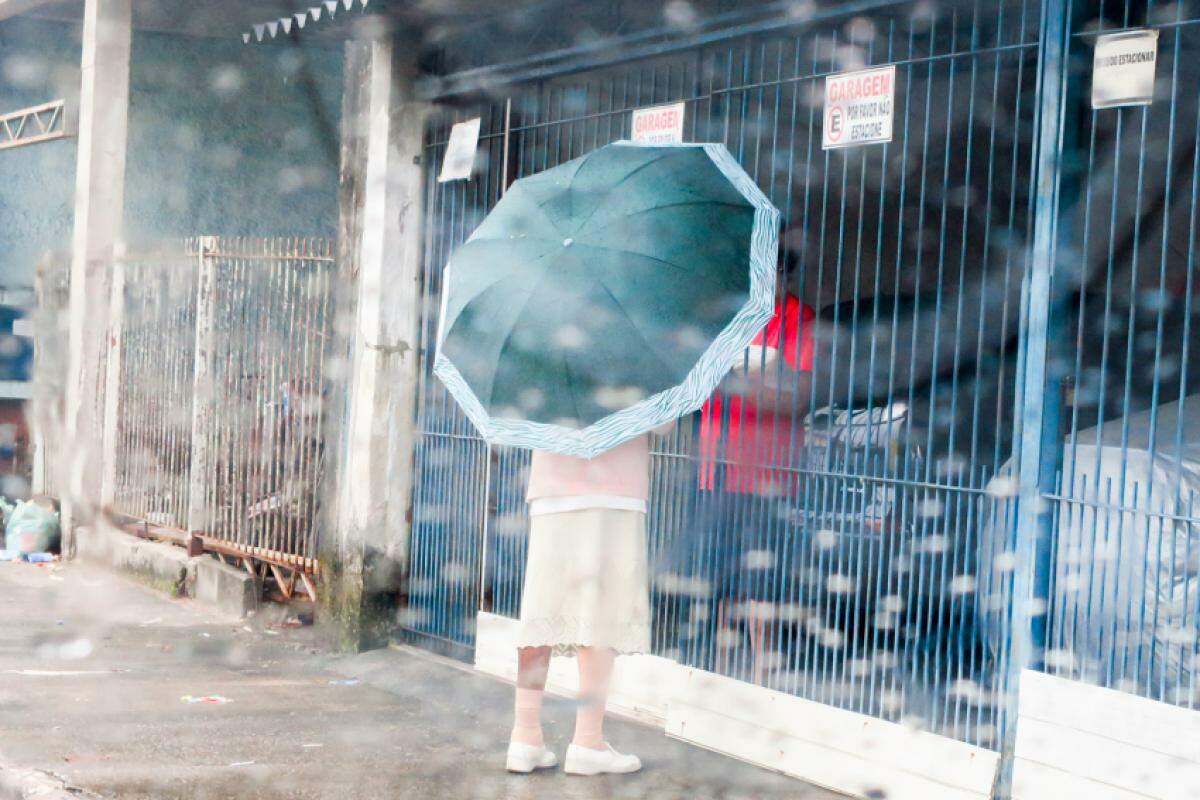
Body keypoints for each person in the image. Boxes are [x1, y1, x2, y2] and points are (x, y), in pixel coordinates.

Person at [506, 424, 672, 775]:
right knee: (601, 611)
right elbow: (663, 421)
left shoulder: (546, 365)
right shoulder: (635, 365)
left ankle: (524, 737)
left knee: (541, 608)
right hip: (615, 490)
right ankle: (587, 741)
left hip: (551, 485)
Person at [683, 251, 817, 672]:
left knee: (763, 570)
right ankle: (718, 660)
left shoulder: (798, 319)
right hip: (714, 461)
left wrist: (742, 384)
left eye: (770, 271)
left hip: (765, 466)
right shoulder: (728, 317)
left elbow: (800, 396)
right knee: (716, 565)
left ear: (783, 275)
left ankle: (762, 665)